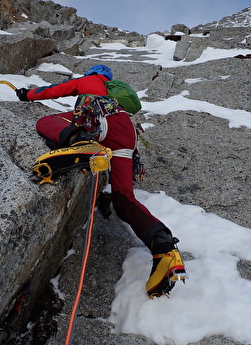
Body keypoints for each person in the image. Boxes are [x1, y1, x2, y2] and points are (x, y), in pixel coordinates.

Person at [16, 64, 186, 297]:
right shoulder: (117, 94)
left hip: (101, 121)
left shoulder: (90, 81)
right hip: (126, 133)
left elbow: (55, 89)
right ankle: (163, 246)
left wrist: (27, 94)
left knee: (46, 121)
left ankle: (80, 143)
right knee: (123, 198)